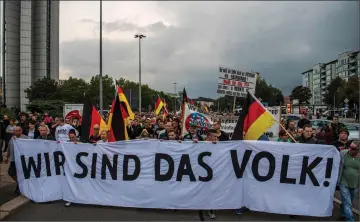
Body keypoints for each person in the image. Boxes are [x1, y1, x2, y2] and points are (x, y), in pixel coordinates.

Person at [337, 141, 360, 221]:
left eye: (353, 148)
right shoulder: (343, 153)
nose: (350, 149)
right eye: (350, 147)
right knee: (348, 202)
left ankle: (343, 214)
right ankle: (350, 219)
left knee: (346, 201)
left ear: (358, 150)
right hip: (344, 182)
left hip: (355, 184)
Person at [4, 126, 29, 195]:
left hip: (22, 160)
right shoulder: (12, 138)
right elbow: (9, 149)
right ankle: (20, 183)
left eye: (18, 130)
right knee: (11, 173)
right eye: (15, 131)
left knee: (21, 173)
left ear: (21, 131)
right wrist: (6, 157)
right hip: (13, 159)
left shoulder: (26, 138)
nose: (17, 132)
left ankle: (21, 186)